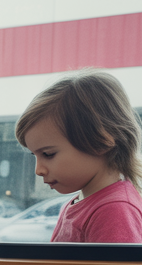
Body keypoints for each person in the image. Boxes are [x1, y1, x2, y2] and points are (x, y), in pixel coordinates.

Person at [15, 70, 142, 243]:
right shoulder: (80, 202)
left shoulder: (115, 210)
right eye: (34, 155)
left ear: (101, 141)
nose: (38, 170)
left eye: (48, 154)